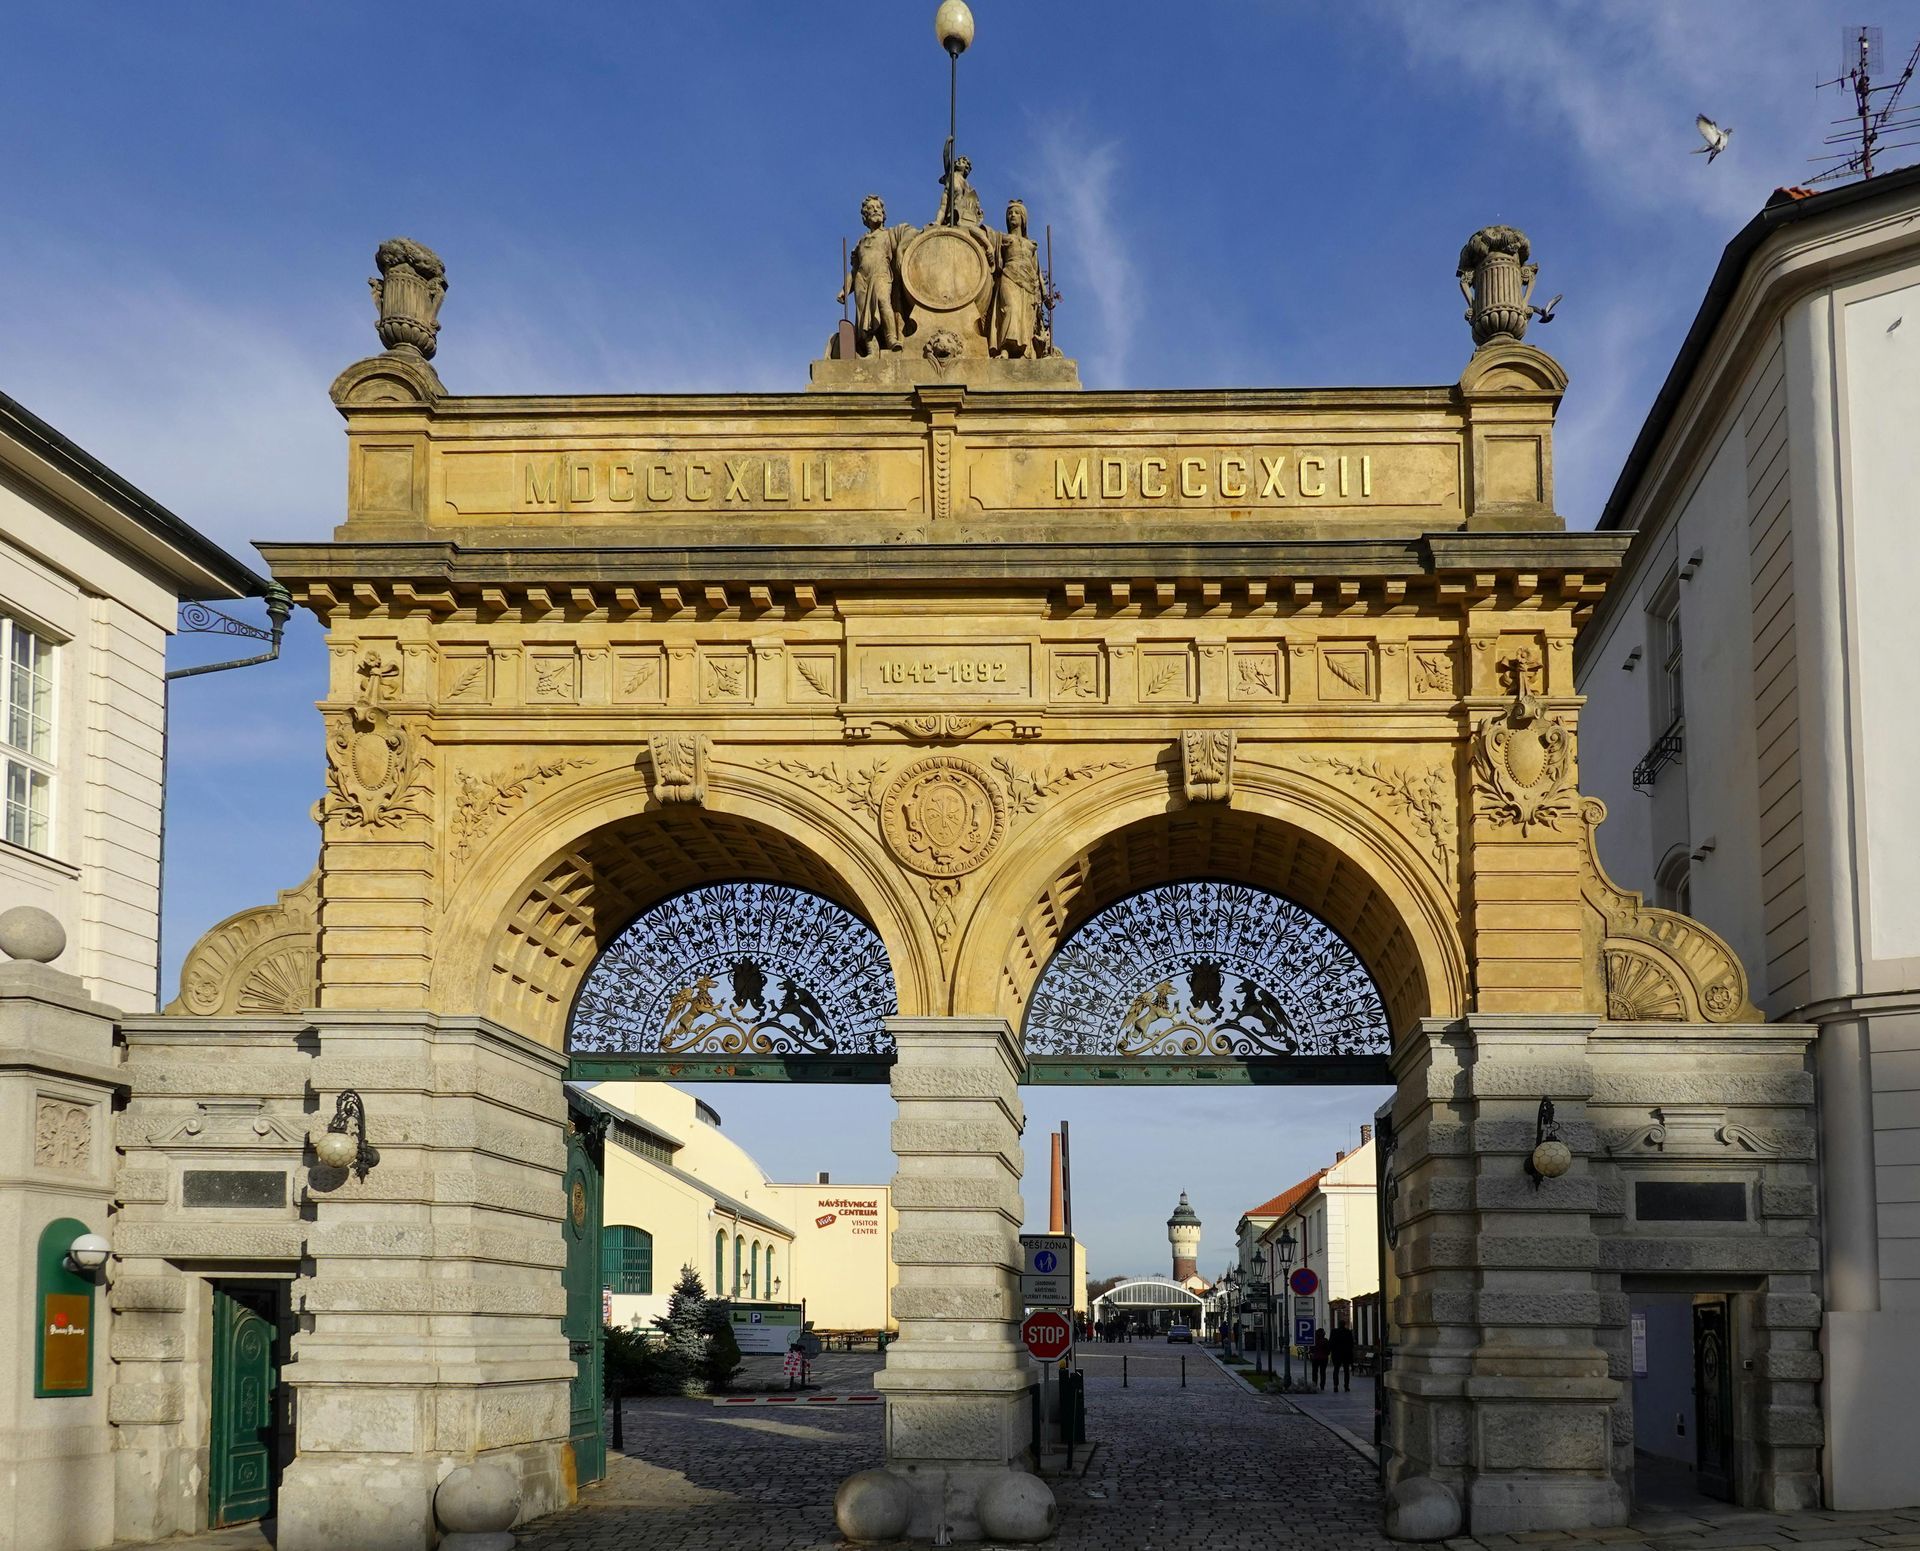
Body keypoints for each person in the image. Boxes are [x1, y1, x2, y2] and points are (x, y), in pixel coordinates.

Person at [990, 199, 1042, 358]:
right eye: (1009, 213)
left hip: (1028, 282)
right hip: (1009, 275)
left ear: (1023, 218)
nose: (1012, 215)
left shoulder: (1031, 244)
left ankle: (1024, 351)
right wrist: (987, 248)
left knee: (1024, 316)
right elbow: (979, 232)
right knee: (1010, 309)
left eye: (1016, 213)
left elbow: (1037, 270)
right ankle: (1004, 349)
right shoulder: (1002, 238)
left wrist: (1044, 294)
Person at [1329, 1319, 1355, 1392]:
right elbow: (1351, 1344)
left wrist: (1331, 1351)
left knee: (1336, 1370)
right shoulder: (1348, 1332)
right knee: (1346, 1371)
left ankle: (1335, 1386)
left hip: (1336, 1354)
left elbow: (1331, 1343)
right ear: (1344, 1324)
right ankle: (1346, 1386)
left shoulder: (1334, 1332)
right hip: (1346, 1354)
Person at [1310, 1326, 1330, 1391]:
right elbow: (1328, 1350)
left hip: (1315, 1358)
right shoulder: (1325, 1340)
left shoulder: (1314, 1341)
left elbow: (1311, 1349)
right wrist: (1326, 1354)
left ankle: (1314, 1384)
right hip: (1324, 1358)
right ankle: (1322, 1386)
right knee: (1322, 1372)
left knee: (1314, 1372)